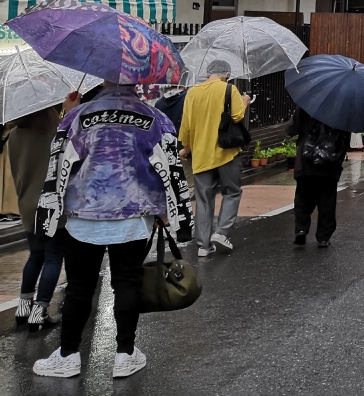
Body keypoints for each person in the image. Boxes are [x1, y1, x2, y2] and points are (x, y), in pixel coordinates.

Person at [32, 85, 192, 379]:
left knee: (80, 287)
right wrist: (166, 211)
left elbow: (57, 168)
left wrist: (50, 214)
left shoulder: (77, 116)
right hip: (132, 216)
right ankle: (125, 354)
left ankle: (68, 355)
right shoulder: (155, 118)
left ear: (103, 82)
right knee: (127, 283)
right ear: (137, 82)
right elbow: (168, 169)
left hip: (83, 216)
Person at [178, 60, 250, 258]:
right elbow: (236, 116)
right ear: (225, 73)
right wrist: (244, 103)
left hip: (200, 155)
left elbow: (186, 125)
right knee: (232, 192)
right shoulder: (229, 89)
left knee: (203, 199)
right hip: (226, 152)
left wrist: (185, 148)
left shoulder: (192, 92)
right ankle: (221, 233)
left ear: (208, 73)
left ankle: (203, 245)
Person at [8, 104, 65, 332]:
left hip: (27, 203)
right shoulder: (57, 132)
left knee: (35, 255)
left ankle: (23, 305)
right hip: (53, 203)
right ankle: (39, 311)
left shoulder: (14, 135)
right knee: (53, 257)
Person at [287, 106, 350, 248]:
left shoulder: (308, 103)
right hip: (330, 161)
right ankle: (323, 237)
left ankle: (301, 230)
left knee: (303, 196)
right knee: (327, 199)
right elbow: (346, 136)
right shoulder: (343, 107)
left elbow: (291, 129)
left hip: (306, 159)